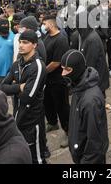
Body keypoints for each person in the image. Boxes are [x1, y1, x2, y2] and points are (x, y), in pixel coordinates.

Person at [0, 30, 47, 164]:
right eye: (20, 42)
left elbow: (27, 97)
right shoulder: (17, 64)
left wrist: (14, 88)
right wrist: (19, 87)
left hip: (32, 121)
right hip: (18, 118)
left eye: (25, 42)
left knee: (37, 158)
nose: (21, 45)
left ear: (35, 45)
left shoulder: (38, 66)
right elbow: (2, 88)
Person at [61, 50, 109, 164]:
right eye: (62, 68)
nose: (62, 74)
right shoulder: (78, 86)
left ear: (77, 69)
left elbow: (96, 142)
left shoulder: (90, 101)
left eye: (67, 69)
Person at [41, 15, 70, 148]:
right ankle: (53, 123)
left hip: (58, 80)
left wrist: (42, 72)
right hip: (47, 80)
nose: (43, 25)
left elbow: (56, 63)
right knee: (48, 103)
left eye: (44, 23)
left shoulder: (61, 40)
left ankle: (68, 131)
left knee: (62, 107)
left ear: (51, 24)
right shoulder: (47, 36)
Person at [71, 8, 110, 96]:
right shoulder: (86, 36)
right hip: (93, 82)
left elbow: (90, 64)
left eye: (77, 22)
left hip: (96, 83)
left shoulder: (91, 39)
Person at [96, 0, 111, 79]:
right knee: (102, 54)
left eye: (106, 4)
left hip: (110, 37)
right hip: (101, 38)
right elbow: (97, 28)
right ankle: (103, 70)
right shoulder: (97, 15)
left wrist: (109, 36)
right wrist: (103, 36)